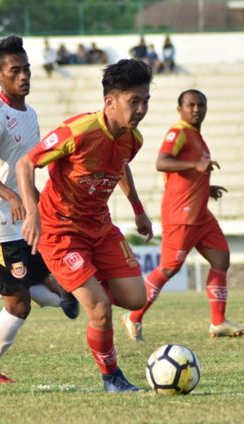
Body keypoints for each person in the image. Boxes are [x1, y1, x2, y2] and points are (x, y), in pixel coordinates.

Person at [17, 59, 155, 393]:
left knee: (137, 299)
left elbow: (120, 166)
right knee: (101, 308)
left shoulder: (132, 139)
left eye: (145, 101)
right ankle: (112, 377)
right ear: (110, 101)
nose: (140, 109)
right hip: (61, 232)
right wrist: (32, 212)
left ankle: (73, 286)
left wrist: (138, 208)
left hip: (101, 229)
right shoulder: (78, 131)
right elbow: (26, 163)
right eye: (133, 101)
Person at [0, 35, 78, 385]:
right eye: (15, 70)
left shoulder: (31, 114)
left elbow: (24, 170)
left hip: (25, 220)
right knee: (20, 305)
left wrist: (41, 204)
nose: (24, 76)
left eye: (27, 69)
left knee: (60, 290)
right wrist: (12, 199)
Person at [122, 89, 244, 341]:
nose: (196, 109)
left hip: (201, 215)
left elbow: (188, 172)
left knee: (221, 259)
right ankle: (134, 315)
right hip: (180, 214)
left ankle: (218, 322)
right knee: (169, 267)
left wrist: (205, 186)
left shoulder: (197, 137)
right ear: (180, 108)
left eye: (201, 105)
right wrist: (195, 166)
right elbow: (162, 162)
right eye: (190, 105)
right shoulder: (177, 132)